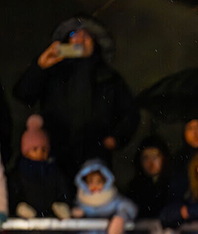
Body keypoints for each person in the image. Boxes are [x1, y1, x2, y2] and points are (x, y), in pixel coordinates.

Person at [13, 16, 139, 177]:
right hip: (55, 159)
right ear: (66, 41)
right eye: (74, 34)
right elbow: (23, 95)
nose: (80, 39)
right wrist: (39, 67)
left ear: (95, 43)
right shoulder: (52, 71)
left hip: (94, 162)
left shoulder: (109, 78)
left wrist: (115, 139)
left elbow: (131, 113)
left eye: (87, 35)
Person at [127, 135, 170, 219]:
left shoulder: (173, 184)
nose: (150, 163)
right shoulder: (134, 187)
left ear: (164, 158)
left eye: (155, 157)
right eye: (145, 158)